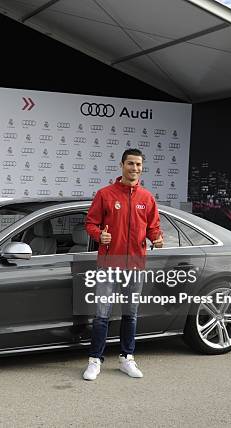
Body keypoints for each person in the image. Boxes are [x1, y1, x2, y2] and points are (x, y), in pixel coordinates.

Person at [83, 148, 163, 380]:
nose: (134, 168)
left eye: (138, 165)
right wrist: (100, 235)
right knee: (102, 315)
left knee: (131, 314)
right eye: (130, 164)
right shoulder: (105, 194)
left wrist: (157, 239)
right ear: (121, 165)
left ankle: (126, 358)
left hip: (135, 266)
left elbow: (153, 228)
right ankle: (95, 360)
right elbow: (90, 223)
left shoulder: (147, 198)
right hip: (109, 264)